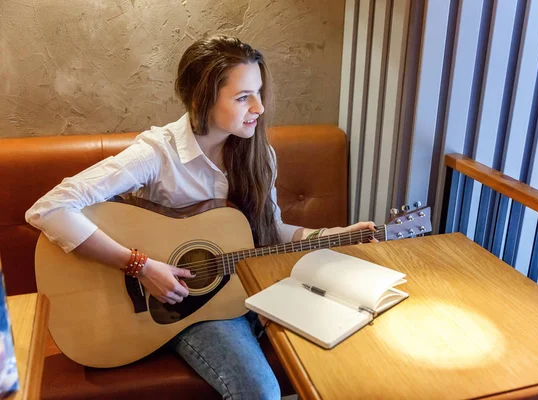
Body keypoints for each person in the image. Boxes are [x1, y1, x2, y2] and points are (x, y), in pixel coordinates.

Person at [25, 35, 376, 399]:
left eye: (258, 93)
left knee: (353, 341)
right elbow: (50, 208)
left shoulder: (260, 155)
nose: (258, 107)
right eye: (243, 97)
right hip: (182, 308)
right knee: (259, 391)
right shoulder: (157, 154)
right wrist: (140, 266)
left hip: (250, 287)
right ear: (201, 99)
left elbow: (269, 232)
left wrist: (336, 234)